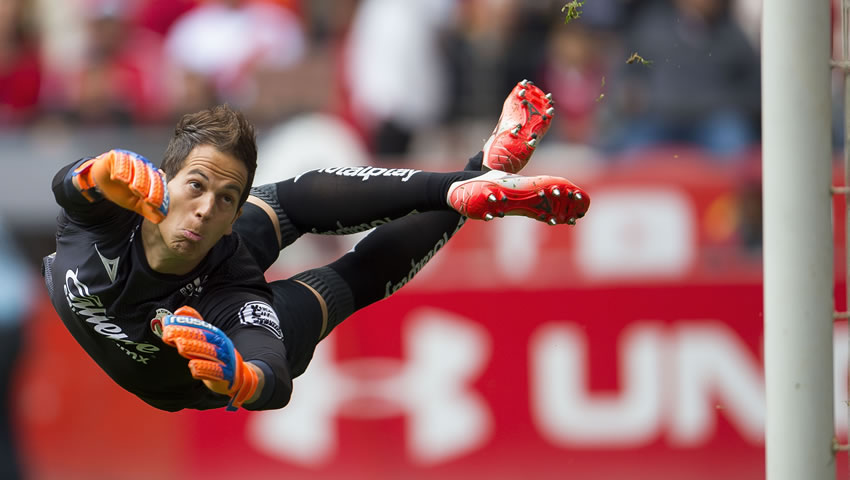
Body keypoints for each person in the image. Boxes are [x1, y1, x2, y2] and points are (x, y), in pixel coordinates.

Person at [42, 80, 589, 412]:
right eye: (197, 186)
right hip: (174, 382)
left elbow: (270, 369)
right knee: (344, 260)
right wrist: (95, 170)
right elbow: (70, 185)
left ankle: (463, 185)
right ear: (163, 179)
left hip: (212, 314)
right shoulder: (112, 212)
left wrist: (242, 376)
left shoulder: (232, 282)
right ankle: (474, 174)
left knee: (312, 229)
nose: (208, 208)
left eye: (229, 197)